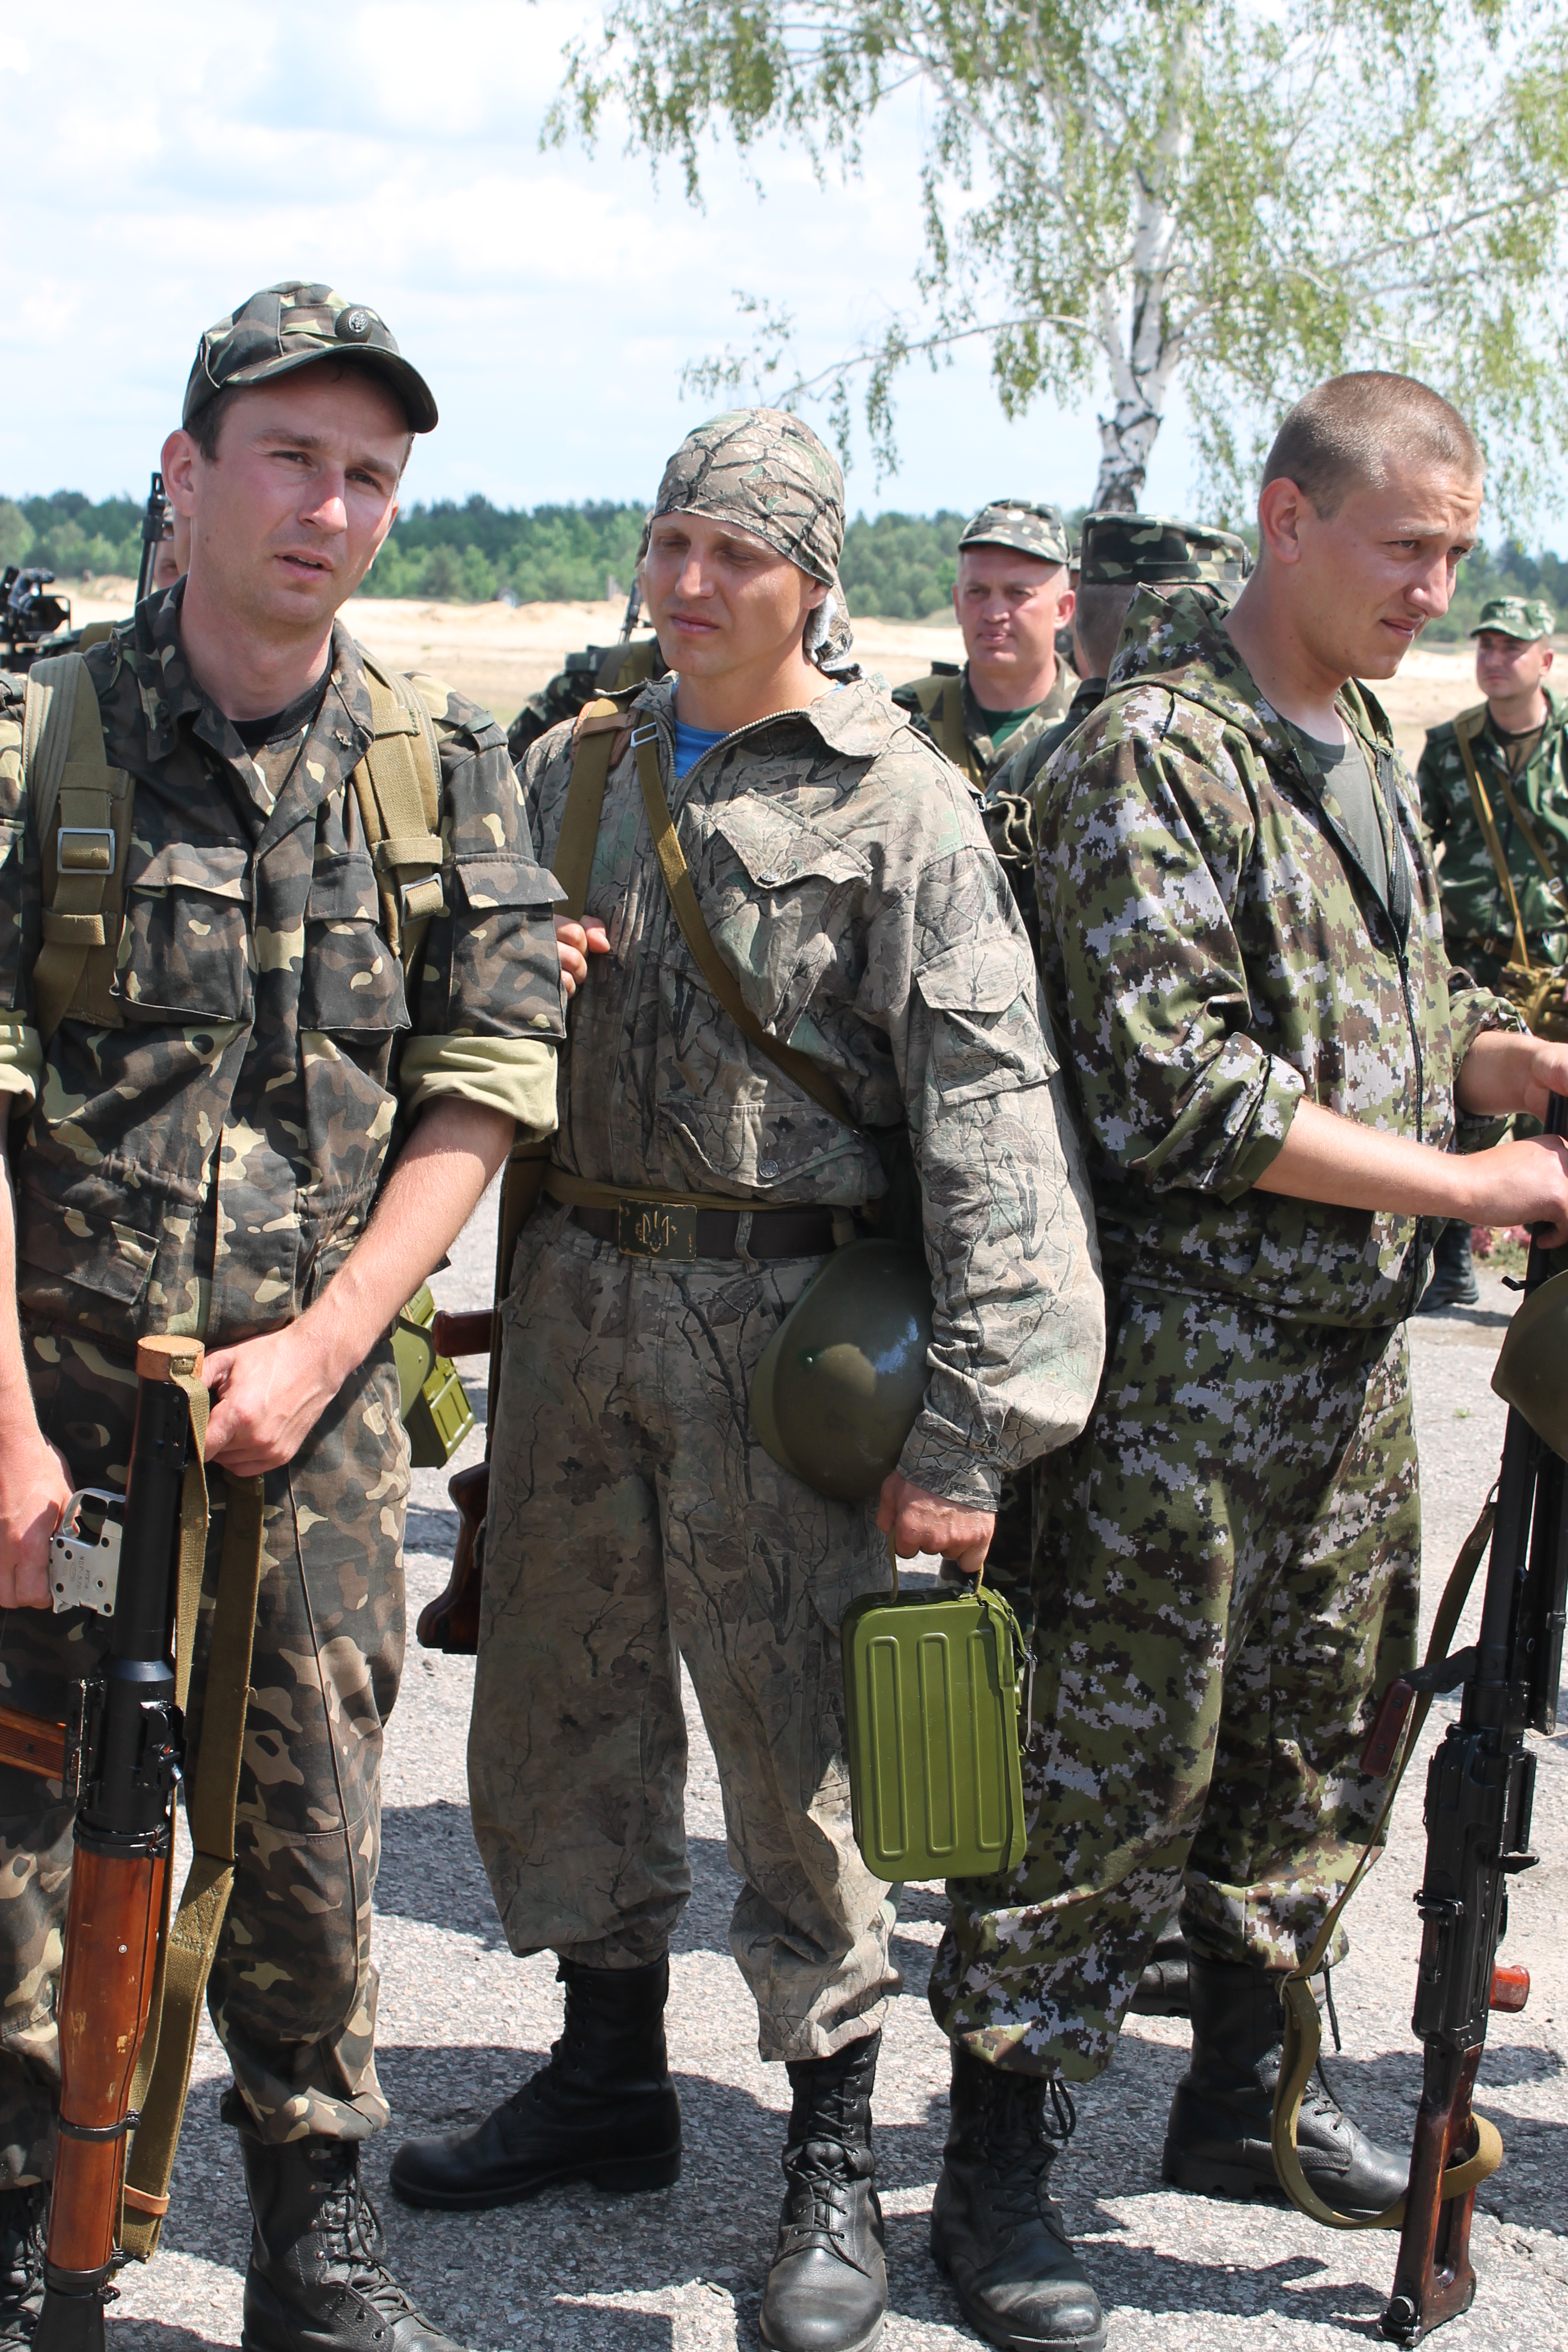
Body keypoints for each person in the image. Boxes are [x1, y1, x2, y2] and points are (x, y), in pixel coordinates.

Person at [389, 407, 1105, 2352]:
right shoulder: (574, 764)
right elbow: (444, 998)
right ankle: (604, 2070)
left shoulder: (900, 805)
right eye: (670, 543)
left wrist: (974, 1428)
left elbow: (989, 1125)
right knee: (566, 1708)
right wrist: (515, 973)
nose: (690, 582)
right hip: (573, 1309)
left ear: (812, 583)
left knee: (805, 1763)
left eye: (735, 554)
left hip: (792, 1353)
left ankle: (827, 2154)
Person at [923, 372, 1568, 2352]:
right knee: (1095, 1777)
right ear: (1286, 520)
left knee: (1310, 1756)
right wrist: (1466, 1179)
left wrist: (1507, 1065)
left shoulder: (1358, 741)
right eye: (1403, 548)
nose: (1431, 590)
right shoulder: (1149, 750)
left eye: (1455, 553)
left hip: (1340, 1380)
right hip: (1171, 1386)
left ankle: (1234, 2093)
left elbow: (1394, 1011)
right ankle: (995, 2162)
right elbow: (1176, 1086)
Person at [0, 281, 571, 2352]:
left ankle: (311, 2223)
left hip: (309, 1423)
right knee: (22, 1836)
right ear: (187, 471)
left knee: (312, 1829)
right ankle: (25, 2208)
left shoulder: (438, 767)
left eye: (367, 476)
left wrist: (333, 1344)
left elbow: (485, 1077)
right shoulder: (40, 742)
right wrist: (5, 1436)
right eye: (289, 459)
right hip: (58, 1406)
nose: (327, 508)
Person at [1417, 591, 1568, 1307]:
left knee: (1558, 1108)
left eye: (1512, 647)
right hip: (1476, 959)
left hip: (1557, 962)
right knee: (1461, 1111)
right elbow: (1419, 847)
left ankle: (1553, 1274)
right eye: (1486, 645)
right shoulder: (1451, 746)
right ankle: (1452, 1262)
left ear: (1546, 659)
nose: (1495, 659)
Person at [893, 501, 1079, 793]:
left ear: (1063, 609)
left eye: (1018, 593)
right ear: (957, 603)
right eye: (977, 592)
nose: (994, 614)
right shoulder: (903, 720)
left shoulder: (1094, 727)